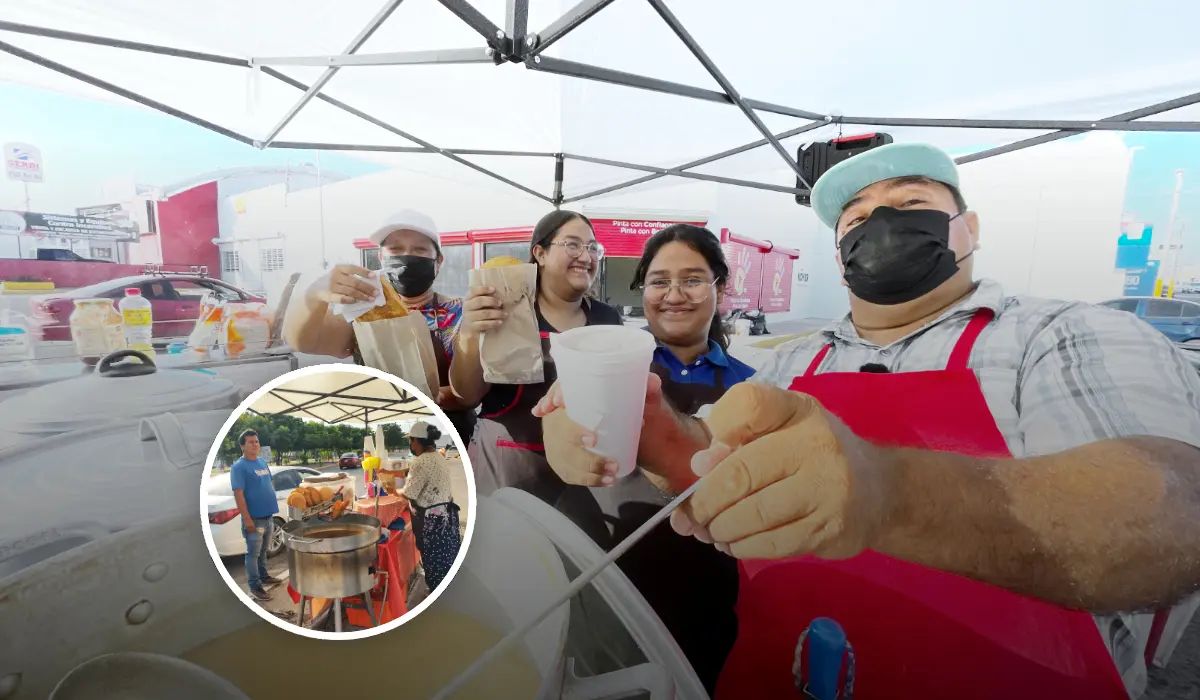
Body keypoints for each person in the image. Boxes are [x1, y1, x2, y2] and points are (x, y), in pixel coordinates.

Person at [536, 143, 1200, 699]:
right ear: (839, 255)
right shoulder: (789, 362)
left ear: (970, 229)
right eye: (855, 217)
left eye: (909, 204)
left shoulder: (1062, 336)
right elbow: (715, 472)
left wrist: (886, 492)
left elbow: (1172, 510)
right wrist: (645, 429)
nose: (879, 222)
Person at [551, 224, 756, 694]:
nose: (674, 295)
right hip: (602, 570)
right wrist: (558, 435)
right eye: (659, 281)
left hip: (703, 585)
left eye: (693, 280)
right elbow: (559, 416)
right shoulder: (606, 360)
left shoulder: (751, 384)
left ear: (721, 288)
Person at [449, 210, 623, 506]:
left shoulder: (607, 318)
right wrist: (469, 332)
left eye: (593, 247)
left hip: (582, 472)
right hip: (508, 467)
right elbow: (466, 396)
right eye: (573, 245)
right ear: (540, 253)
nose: (586, 256)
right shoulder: (505, 308)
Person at [281, 209, 476, 442]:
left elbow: (474, 389)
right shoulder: (363, 312)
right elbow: (302, 341)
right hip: (394, 426)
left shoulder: (460, 313)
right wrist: (313, 295)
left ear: (438, 261)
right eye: (395, 249)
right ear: (381, 258)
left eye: (419, 250)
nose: (407, 257)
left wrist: (439, 396)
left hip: (454, 434)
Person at [401, 421, 461, 591]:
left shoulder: (420, 461)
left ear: (417, 441)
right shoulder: (438, 456)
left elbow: (409, 493)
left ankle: (436, 593)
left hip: (432, 521)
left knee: (433, 560)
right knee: (447, 559)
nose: (411, 445)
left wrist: (393, 490)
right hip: (447, 515)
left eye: (411, 441)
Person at [229, 429, 283, 602]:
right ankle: (255, 587)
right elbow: (238, 494)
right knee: (252, 554)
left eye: (256, 441)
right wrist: (247, 519)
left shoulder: (261, 462)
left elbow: (269, 483)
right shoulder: (239, 467)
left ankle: (264, 576)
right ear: (242, 446)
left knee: (263, 551)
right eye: (250, 442)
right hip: (254, 519)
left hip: (268, 516)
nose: (255, 444)